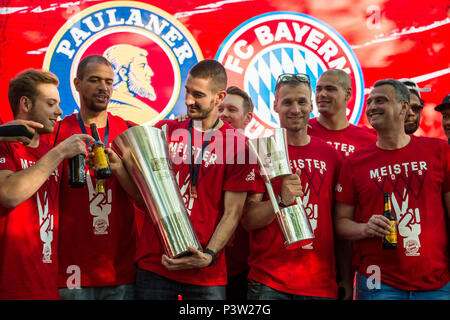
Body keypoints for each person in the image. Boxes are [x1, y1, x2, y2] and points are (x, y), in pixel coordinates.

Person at [134, 59, 256, 300]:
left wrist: (209, 255)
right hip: (156, 266)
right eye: (188, 91)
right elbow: (142, 193)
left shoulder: (238, 146)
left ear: (219, 97)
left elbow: (232, 213)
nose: (189, 100)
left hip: (206, 274)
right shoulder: (165, 131)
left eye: (198, 95)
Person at [334, 79, 450, 300]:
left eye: (381, 100)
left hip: (437, 282)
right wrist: (365, 229)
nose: (372, 107)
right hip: (379, 282)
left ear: (404, 107)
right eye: (369, 102)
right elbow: (340, 224)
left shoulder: (438, 152)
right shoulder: (354, 162)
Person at [242, 73, 344, 300]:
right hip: (269, 281)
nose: (295, 109)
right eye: (287, 102)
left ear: (311, 105)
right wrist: (280, 198)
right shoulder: (258, 151)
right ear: (275, 105)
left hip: (320, 283)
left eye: (301, 102)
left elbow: (340, 221)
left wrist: (345, 277)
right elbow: (249, 220)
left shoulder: (331, 156)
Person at [46, 55, 138, 300]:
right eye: (95, 80)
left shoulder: (129, 131)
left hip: (120, 269)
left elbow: (144, 198)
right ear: (76, 84)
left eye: (109, 82)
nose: (103, 88)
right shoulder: (56, 133)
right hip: (70, 269)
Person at [0, 69, 93, 299]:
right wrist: (60, 152)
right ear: (26, 103)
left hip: (47, 284)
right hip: (10, 285)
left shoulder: (49, 149)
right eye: (51, 104)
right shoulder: (4, 144)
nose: (59, 111)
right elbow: (9, 193)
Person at [218, 86, 254, 300]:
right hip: (200, 266)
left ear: (248, 117)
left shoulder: (256, 152)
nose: (224, 114)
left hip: (241, 267)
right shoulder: (196, 150)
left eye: (232, 109)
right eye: (220, 108)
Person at [309, 69, 377, 157]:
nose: (322, 94)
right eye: (318, 89)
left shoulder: (368, 141)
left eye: (330, 89)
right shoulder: (301, 132)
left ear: (347, 94)